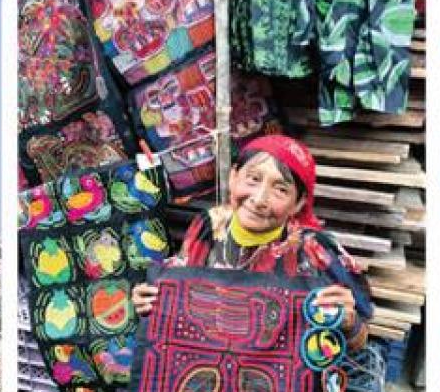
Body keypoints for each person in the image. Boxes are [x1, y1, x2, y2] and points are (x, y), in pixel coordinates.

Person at [132, 134, 370, 350]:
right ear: (233, 177)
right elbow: (179, 288)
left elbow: (360, 341)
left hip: (280, 387)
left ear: (298, 203)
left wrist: (349, 323)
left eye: (280, 189)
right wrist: (150, 298)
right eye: (253, 179)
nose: (259, 199)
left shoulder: (314, 249)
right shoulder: (208, 225)